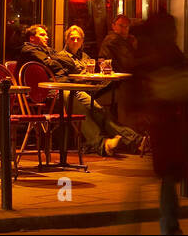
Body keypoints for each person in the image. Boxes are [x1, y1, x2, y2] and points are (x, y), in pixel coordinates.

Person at [127, 12, 188, 235]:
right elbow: (182, 80)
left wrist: (138, 108)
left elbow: (137, 77)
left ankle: (166, 223)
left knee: (165, 173)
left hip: (160, 116)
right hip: (168, 117)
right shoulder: (168, 51)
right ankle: (169, 224)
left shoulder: (149, 51)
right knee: (168, 173)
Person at [19, 24, 142, 156]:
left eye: (46, 34)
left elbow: (66, 62)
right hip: (47, 93)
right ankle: (102, 144)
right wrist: (55, 61)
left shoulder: (48, 50)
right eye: (42, 35)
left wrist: (54, 60)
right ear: (32, 38)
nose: (47, 37)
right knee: (81, 109)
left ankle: (135, 140)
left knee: (96, 108)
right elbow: (52, 63)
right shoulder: (28, 49)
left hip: (66, 87)